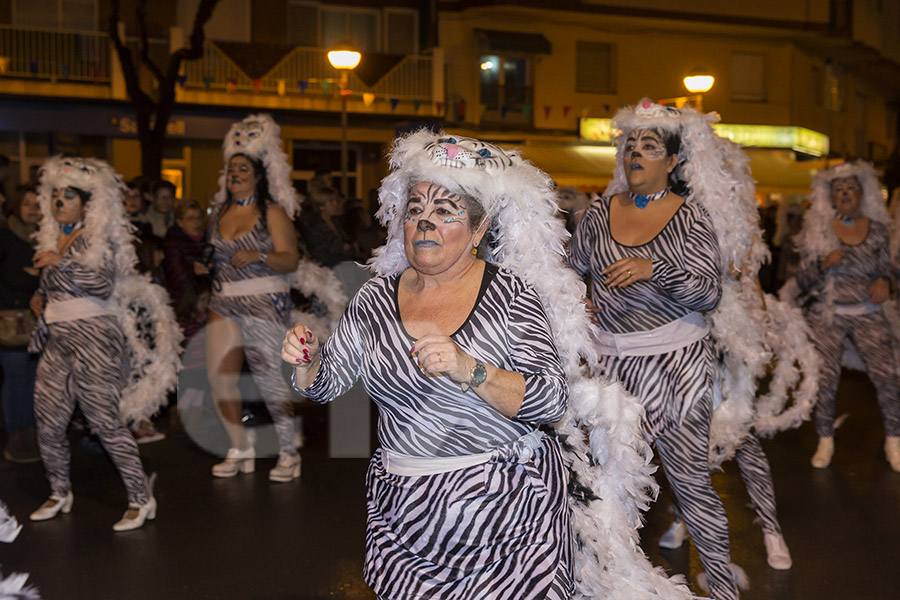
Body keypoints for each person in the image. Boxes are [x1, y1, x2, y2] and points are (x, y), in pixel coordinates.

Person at [283, 133, 574, 599]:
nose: (424, 224)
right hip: (405, 517)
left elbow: (552, 398)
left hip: (506, 522)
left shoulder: (511, 295)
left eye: (444, 212)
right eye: (415, 210)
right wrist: (307, 360)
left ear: (479, 230)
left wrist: (472, 369)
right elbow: (326, 385)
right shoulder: (374, 297)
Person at [568, 100, 743, 599]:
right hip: (611, 370)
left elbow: (709, 293)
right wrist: (580, 299)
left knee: (689, 484)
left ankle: (724, 590)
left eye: (649, 146)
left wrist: (654, 270)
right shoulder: (598, 214)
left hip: (676, 368)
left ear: (672, 161)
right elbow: (570, 274)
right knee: (607, 486)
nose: (635, 153)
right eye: (629, 145)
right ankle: (610, 586)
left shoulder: (690, 218)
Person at [27, 156, 179, 531]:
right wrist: (41, 298)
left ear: (86, 204)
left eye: (69, 196)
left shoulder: (97, 238)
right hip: (58, 338)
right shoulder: (55, 239)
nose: (59, 201)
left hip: (95, 339)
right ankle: (60, 491)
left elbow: (101, 285)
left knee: (105, 422)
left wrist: (58, 263)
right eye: (56, 195)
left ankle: (142, 498)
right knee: (47, 422)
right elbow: (57, 287)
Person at [207, 114, 302, 481]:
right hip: (224, 299)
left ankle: (289, 451)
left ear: (258, 174)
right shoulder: (217, 213)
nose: (235, 174)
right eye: (231, 169)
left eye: (243, 168)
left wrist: (260, 256)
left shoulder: (271, 211)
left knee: (266, 377)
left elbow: (290, 259)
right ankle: (239, 447)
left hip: (264, 298)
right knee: (220, 378)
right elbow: (215, 255)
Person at [794, 161, 900, 471]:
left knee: (887, 377)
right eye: (838, 189)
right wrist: (823, 264)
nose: (844, 194)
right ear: (830, 195)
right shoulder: (819, 232)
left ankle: (894, 440)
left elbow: (892, 269)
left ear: (860, 193)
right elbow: (801, 281)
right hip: (828, 316)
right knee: (826, 380)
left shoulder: (879, 231)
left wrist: (886, 282)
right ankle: (825, 439)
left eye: (850, 188)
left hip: (868, 313)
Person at [0, 185, 41, 463]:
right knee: (15, 380)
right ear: (17, 206)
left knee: (34, 381)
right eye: (27, 203)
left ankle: (31, 434)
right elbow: (12, 278)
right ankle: (16, 437)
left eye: (37, 204)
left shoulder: (44, 239)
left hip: (39, 321)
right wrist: (34, 277)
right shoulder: (4, 235)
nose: (32, 209)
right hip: (11, 321)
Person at [298, 185, 354, 267]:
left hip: (342, 267)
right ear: (321, 206)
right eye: (331, 201)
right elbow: (321, 255)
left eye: (336, 200)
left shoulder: (336, 222)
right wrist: (345, 250)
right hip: (327, 270)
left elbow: (350, 246)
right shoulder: (314, 227)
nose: (335, 204)